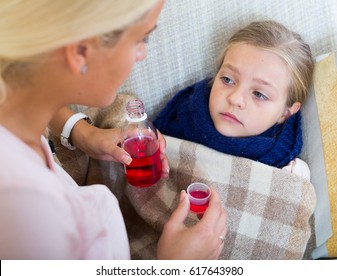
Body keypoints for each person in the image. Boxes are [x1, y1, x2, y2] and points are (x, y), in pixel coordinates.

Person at [0, 0, 227, 259]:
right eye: (142, 39)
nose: (142, 54)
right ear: (79, 52)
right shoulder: (27, 211)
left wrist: (82, 133)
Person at [153, 20, 314, 180]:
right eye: (228, 80)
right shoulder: (178, 119)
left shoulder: (287, 172)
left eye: (259, 94)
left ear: (285, 113)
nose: (235, 99)